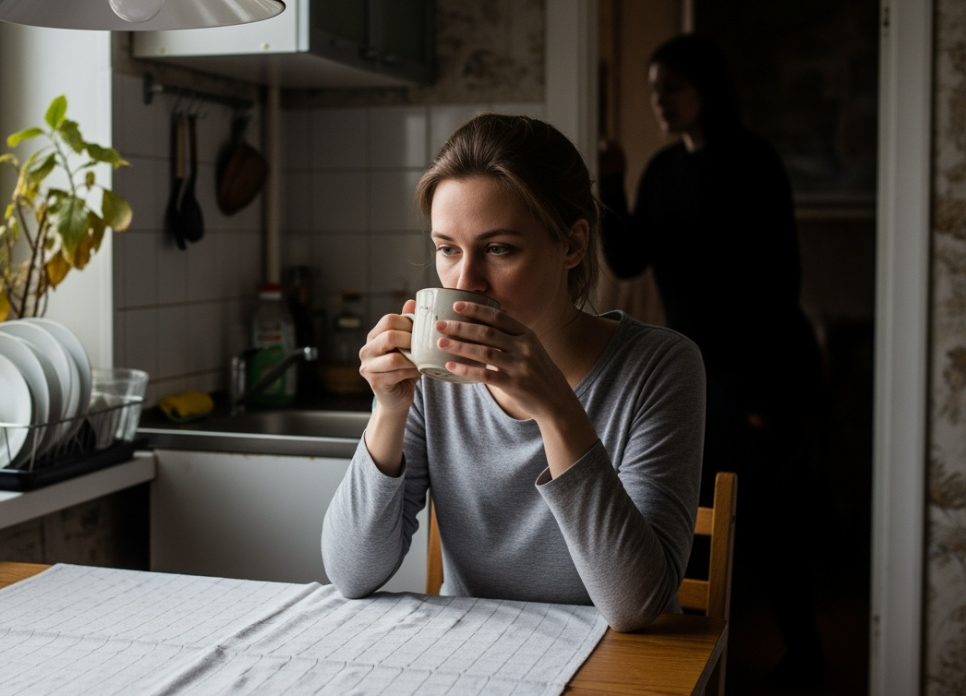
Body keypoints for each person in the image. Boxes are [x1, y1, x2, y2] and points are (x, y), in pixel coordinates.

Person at [320, 113, 706, 633]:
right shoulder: (435, 377)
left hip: (619, 666)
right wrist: (389, 411)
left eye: (498, 249)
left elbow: (638, 607)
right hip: (474, 659)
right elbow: (351, 574)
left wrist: (555, 408)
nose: (466, 281)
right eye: (447, 249)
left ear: (571, 246)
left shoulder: (660, 367)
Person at [597, 34, 827, 686]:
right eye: (653, 90)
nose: (660, 102)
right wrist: (611, 180)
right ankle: (702, 663)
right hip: (694, 374)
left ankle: (805, 660)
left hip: (760, 375)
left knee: (767, 524)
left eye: (672, 87)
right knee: (695, 521)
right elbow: (626, 259)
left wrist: (763, 398)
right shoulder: (662, 171)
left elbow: (781, 283)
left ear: (707, 90)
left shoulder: (756, 164)